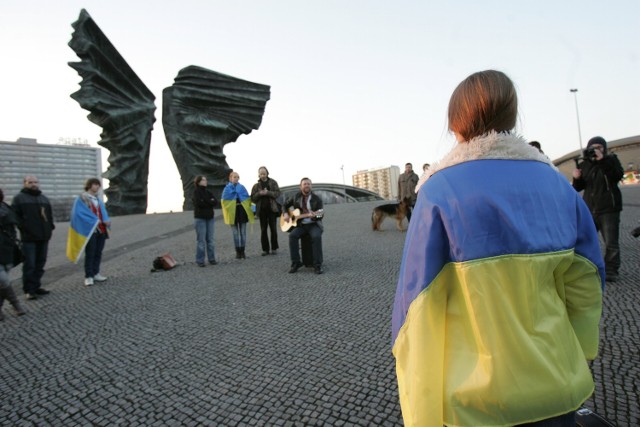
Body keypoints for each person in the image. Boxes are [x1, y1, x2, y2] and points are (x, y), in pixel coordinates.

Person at [392, 70, 604, 427]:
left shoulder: (438, 192)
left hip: (475, 402)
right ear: (511, 116)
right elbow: (586, 286)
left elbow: (416, 313)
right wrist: (578, 354)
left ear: (456, 125)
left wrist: (421, 414)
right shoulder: (558, 184)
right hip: (556, 384)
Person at [572, 136, 624, 282]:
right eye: (593, 147)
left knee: (611, 242)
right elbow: (578, 188)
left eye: (599, 147)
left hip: (608, 208)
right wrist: (576, 178)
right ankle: (586, 267)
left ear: (604, 148)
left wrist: (602, 160)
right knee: (584, 240)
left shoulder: (611, 161)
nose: (596, 150)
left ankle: (611, 270)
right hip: (590, 209)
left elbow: (616, 175)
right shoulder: (585, 164)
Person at [12, 175, 55, 300]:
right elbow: (15, 217)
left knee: (40, 263)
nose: (33, 184)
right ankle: (29, 290)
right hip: (29, 238)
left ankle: (36, 286)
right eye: (30, 182)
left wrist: (50, 228)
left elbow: (50, 216)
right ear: (25, 183)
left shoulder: (44, 199)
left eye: (35, 182)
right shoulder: (19, 199)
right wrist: (24, 228)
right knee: (29, 264)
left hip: (44, 236)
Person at [283, 178, 324, 274]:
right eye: (305, 184)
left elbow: (321, 215)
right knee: (292, 236)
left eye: (308, 184)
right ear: (300, 186)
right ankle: (296, 263)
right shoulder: (295, 197)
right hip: (300, 225)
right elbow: (284, 205)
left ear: (311, 186)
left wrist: (314, 216)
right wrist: (285, 213)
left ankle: (317, 265)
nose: (307, 185)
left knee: (316, 236)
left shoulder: (317, 199)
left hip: (313, 224)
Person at [74, 178, 111, 286]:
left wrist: (106, 221)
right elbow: (79, 214)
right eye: (95, 184)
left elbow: (103, 212)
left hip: (101, 229)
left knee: (98, 252)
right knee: (90, 253)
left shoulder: (97, 199)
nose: (97, 187)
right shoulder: (82, 198)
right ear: (89, 185)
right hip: (90, 230)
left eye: (98, 185)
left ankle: (96, 273)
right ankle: (88, 276)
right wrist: (92, 220)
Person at [0, 188, 26, 320]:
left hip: (6, 249)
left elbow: (13, 227)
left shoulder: (6, 208)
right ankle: (16, 304)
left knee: (2, 282)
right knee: (3, 280)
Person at [221, 171, 254, 259]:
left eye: (237, 177)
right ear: (230, 178)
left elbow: (247, 199)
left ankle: (242, 251)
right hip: (232, 213)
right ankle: (237, 251)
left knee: (243, 232)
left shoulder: (242, 188)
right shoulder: (227, 189)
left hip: (241, 211)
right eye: (234, 177)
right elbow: (224, 202)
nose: (235, 178)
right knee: (235, 233)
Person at [250, 166, 281, 256]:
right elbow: (252, 198)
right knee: (263, 230)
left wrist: (268, 193)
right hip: (262, 210)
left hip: (272, 209)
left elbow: (278, 193)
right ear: (258, 175)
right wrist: (259, 194)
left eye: (264, 173)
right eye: (261, 174)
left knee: (273, 229)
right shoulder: (256, 186)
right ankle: (265, 249)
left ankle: (274, 248)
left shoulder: (273, 182)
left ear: (267, 173)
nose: (263, 175)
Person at [192, 176, 217, 267]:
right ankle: (200, 260)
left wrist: (207, 202)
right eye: (203, 180)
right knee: (201, 240)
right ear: (198, 182)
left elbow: (215, 202)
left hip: (210, 218)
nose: (205, 181)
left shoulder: (208, 192)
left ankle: (212, 259)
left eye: (206, 179)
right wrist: (209, 202)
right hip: (200, 219)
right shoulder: (196, 192)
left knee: (210, 240)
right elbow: (199, 203)